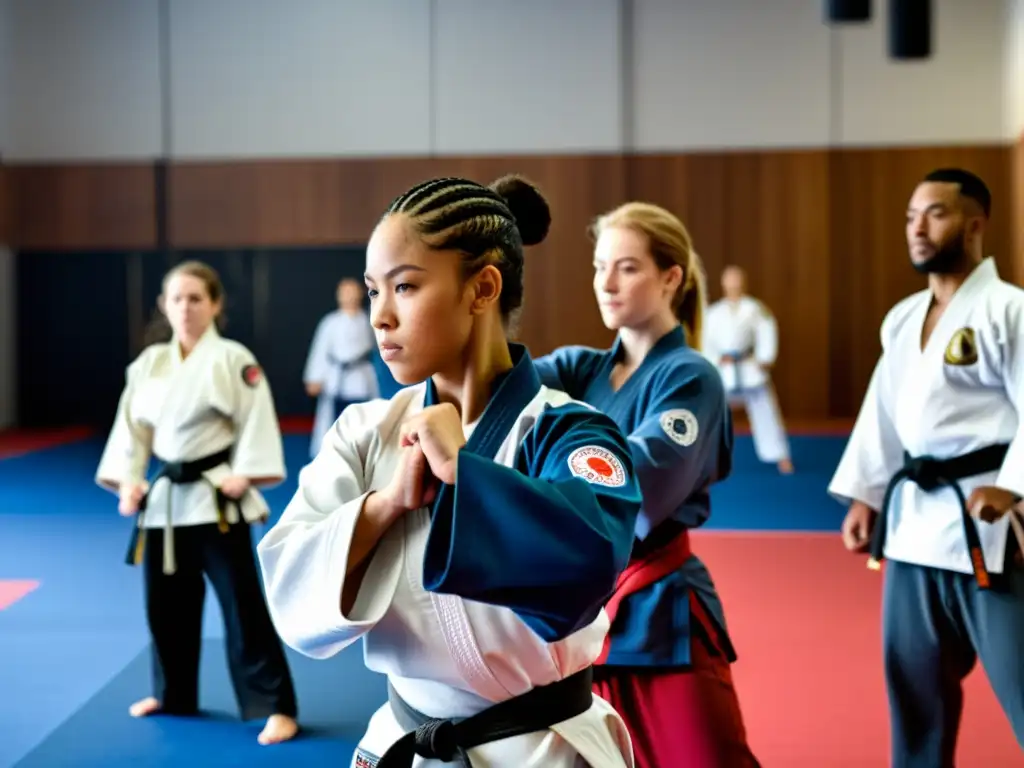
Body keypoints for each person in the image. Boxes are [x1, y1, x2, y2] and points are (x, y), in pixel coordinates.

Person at [257, 175, 644, 767]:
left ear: (482, 288)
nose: (380, 318)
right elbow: (289, 586)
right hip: (406, 745)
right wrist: (386, 504)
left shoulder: (571, 431)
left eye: (405, 287)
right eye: (373, 292)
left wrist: (466, 472)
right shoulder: (366, 433)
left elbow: (588, 566)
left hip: (543, 750)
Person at [534, 203, 761, 768]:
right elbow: (490, 391)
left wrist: (539, 471)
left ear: (671, 277)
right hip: (579, 621)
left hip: (662, 611)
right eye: (598, 266)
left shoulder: (690, 376)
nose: (605, 283)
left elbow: (641, 490)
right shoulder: (576, 370)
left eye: (627, 267)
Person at [828, 168, 1024, 767]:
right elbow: (884, 415)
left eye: (934, 213)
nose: (917, 226)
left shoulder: (1008, 310)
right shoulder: (903, 317)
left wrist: (1012, 487)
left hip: (985, 536)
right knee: (914, 696)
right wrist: (868, 496)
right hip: (913, 531)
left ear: (974, 223)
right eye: (911, 215)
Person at [95, 260, 299, 746]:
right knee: (165, 608)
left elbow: (255, 420)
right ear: (164, 306)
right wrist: (129, 481)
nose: (185, 308)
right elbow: (132, 431)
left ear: (215, 305)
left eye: (195, 298)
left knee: (242, 607)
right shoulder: (149, 365)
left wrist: (246, 473)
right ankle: (173, 695)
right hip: (164, 505)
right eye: (176, 298)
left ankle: (277, 707)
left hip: (216, 502)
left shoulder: (233, 360)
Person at [702, 266, 793, 474]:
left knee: (766, 410)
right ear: (723, 283)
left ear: (744, 282)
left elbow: (767, 331)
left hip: (749, 367)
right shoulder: (714, 313)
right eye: (729, 280)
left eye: (737, 280)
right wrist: (712, 360)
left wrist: (765, 357)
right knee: (708, 412)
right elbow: (705, 340)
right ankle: (703, 457)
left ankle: (780, 455)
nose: (733, 284)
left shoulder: (755, 309)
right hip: (723, 368)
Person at [304, 278, 380, 457]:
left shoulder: (370, 320)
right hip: (336, 382)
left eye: (353, 291)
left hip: (362, 380)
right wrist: (314, 378)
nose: (349, 296)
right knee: (334, 426)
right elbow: (320, 351)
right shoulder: (330, 323)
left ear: (361, 293)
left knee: (364, 424)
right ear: (338, 295)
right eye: (345, 292)